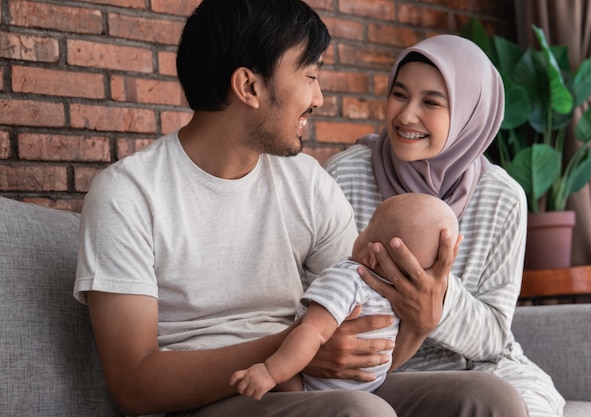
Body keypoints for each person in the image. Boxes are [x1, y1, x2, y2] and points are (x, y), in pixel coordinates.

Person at [73, 1, 529, 416]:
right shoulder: (128, 195)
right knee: (360, 413)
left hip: (308, 383)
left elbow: (361, 326)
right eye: (309, 75)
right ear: (249, 86)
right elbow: (133, 385)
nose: (319, 97)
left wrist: (419, 322)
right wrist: (292, 347)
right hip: (218, 399)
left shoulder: (307, 183)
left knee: (490, 399)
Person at [325, 34, 566, 417]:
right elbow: (323, 295)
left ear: (471, 113)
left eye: (431, 102)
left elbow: (493, 338)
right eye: (399, 94)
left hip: (481, 368)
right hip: (371, 371)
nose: (405, 115)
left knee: (524, 406)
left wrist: (434, 303)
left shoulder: (502, 197)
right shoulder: (345, 174)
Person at [230, 193, 459, 399]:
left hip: (318, 388)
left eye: (367, 228)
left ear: (371, 255)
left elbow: (311, 332)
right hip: (351, 389)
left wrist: (270, 372)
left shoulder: (349, 280)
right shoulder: (398, 298)